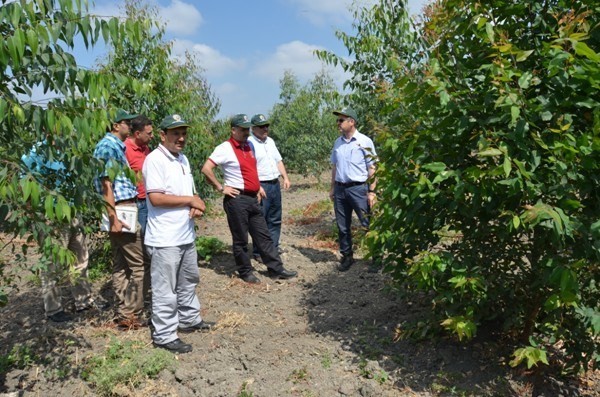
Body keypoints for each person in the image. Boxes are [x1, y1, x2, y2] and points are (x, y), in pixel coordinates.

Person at [143, 114, 215, 354]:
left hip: (184, 234)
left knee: (188, 281)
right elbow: (155, 197)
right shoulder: (155, 160)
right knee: (165, 289)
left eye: (184, 133)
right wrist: (190, 200)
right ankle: (164, 335)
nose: (181, 138)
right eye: (176, 134)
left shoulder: (182, 159)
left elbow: (187, 192)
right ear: (163, 136)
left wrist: (193, 204)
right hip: (165, 239)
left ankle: (189, 319)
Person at [201, 114, 297, 284]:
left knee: (264, 235)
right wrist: (220, 187)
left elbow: (251, 170)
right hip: (237, 199)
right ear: (233, 130)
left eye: (247, 129)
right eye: (243, 129)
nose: (246, 132)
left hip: (253, 198)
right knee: (241, 239)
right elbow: (206, 169)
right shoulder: (225, 148)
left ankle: (276, 269)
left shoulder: (249, 146)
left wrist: (258, 187)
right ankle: (245, 271)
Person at [22, 143, 108, 322]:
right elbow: (24, 182)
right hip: (51, 216)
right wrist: (34, 216)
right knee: (52, 263)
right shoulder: (35, 152)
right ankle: (53, 309)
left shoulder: (69, 149)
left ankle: (83, 301)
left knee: (80, 258)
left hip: (73, 212)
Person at [93, 109, 147, 329]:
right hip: (122, 209)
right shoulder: (108, 146)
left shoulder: (116, 146)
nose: (130, 126)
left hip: (121, 208)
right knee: (138, 264)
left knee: (122, 263)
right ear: (116, 125)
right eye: (127, 123)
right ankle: (132, 313)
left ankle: (124, 311)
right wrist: (114, 217)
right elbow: (107, 184)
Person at [329, 107, 377, 272]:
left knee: (367, 224)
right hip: (341, 189)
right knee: (343, 226)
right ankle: (347, 256)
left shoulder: (364, 141)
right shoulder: (337, 142)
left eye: (341, 120)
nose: (338, 123)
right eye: (338, 120)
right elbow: (335, 166)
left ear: (352, 121)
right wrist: (332, 188)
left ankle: (376, 257)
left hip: (359, 189)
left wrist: (372, 192)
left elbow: (372, 168)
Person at [248, 114, 291, 261]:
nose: (265, 129)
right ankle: (259, 252)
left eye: (266, 126)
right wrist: (257, 187)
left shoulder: (270, 141)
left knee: (275, 218)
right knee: (260, 220)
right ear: (253, 128)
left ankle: (273, 248)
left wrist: (285, 177)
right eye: (261, 126)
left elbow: (278, 160)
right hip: (262, 185)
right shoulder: (249, 143)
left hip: (274, 184)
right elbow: (250, 167)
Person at [124, 115, 153, 304]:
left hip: (148, 202)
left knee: (149, 248)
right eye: (148, 133)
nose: (151, 136)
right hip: (135, 204)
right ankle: (133, 297)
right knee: (139, 252)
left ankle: (145, 291)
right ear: (137, 133)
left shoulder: (146, 149)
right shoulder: (125, 149)